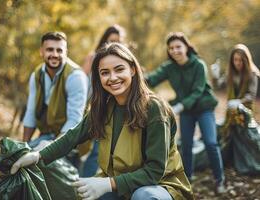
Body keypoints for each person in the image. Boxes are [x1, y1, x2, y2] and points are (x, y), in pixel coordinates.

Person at [11, 43, 194, 200]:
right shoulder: (103, 107)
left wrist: (109, 183)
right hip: (118, 185)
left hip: (160, 186)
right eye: (105, 73)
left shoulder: (154, 108)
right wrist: (38, 156)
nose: (112, 78)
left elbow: (154, 171)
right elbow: (71, 138)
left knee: (143, 196)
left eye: (119, 69)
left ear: (132, 69)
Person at [145, 32, 225, 193]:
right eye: (171, 48)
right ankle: (188, 177)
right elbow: (151, 79)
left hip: (204, 108)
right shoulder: (169, 67)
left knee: (210, 143)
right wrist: (134, 74)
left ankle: (219, 179)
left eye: (178, 47)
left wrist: (179, 106)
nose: (175, 50)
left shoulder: (199, 65)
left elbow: (197, 91)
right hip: (187, 111)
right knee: (186, 145)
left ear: (186, 47)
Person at [22, 31, 88, 151]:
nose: (55, 54)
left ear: (66, 53)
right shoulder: (36, 75)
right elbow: (31, 112)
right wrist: (23, 146)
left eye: (59, 50)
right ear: (41, 51)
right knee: (20, 157)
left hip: (72, 140)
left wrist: (52, 150)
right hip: (47, 135)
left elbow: (74, 121)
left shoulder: (75, 76)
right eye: (50, 50)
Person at [80, 24, 126, 177]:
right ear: (104, 40)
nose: (114, 44)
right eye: (111, 40)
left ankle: (92, 182)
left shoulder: (121, 61)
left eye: (118, 42)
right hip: (91, 107)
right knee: (84, 147)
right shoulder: (93, 57)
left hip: (110, 109)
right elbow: (81, 82)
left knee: (99, 149)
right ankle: (81, 183)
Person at [225, 44, 259, 110]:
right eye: (235, 60)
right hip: (231, 112)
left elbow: (251, 95)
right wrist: (215, 77)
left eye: (241, 60)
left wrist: (239, 102)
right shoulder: (230, 74)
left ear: (246, 60)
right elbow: (219, 85)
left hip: (246, 112)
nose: (238, 63)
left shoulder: (252, 74)